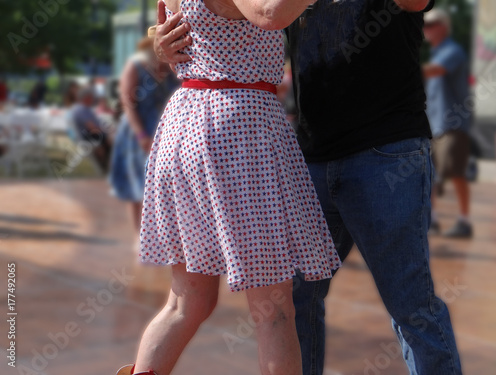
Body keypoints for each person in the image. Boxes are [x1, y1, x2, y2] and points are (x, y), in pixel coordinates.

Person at [156, 0, 464, 374]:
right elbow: (245, 17)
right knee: (293, 301)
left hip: (385, 151)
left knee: (410, 303)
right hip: (308, 153)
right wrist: (161, 43)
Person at [116, 1, 341, 375]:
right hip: (238, 128)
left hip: (186, 124)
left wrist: (159, 44)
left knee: (186, 303)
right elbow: (270, 13)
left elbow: (169, 32)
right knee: (274, 309)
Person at [109, 36, 178, 235]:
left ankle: (162, 234)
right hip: (138, 131)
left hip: (164, 130)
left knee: (165, 184)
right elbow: (127, 104)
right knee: (138, 184)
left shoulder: (173, 67)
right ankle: (139, 235)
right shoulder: (136, 65)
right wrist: (141, 135)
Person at [423, 8, 473, 238]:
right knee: (430, 173)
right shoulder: (437, 52)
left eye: (431, 24)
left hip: (452, 126)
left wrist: (399, 70)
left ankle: (464, 221)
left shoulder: (452, 51)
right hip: (434, 126)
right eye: (425, 24)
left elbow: (435, 71)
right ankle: (432, 220)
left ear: (443, 27)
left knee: (456, 173)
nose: (426, 28)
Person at [71, 87, 111, 173]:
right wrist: (105, 132)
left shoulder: (86, 109)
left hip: (92, 135)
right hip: (88, 136)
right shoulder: (81, 110)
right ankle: (106, 166)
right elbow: (92, 128)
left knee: (110, 139)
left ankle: (108, 165)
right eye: (91, 97)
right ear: (86, 98)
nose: (93, 99)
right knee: (110, 141)